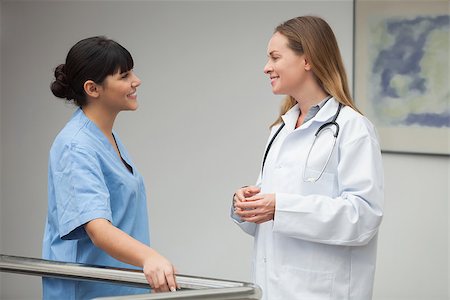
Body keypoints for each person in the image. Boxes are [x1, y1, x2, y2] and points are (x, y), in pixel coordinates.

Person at [231, 16, 384, 300]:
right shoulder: (281, 129)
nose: (267, 67)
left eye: (275, 57)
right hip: (271, 287)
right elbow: (271, 210)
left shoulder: (352, 128)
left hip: (323, 291)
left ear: (308, 59)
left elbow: (363, 217)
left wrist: (281, 208)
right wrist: (247, 203)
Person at [42, 36, 178, 300]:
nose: (136, 81)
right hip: (87, 291)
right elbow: (97, 228)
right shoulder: (76, 146)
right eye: (124, 76)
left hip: (119, 288)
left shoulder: (104, 138)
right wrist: (150, 257)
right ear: (93, 88)